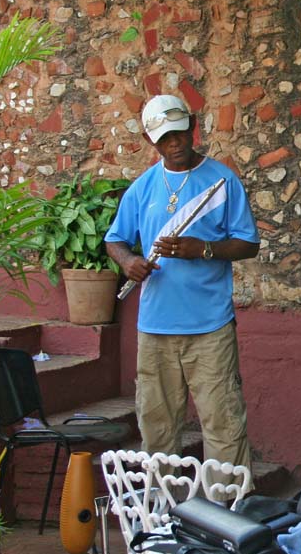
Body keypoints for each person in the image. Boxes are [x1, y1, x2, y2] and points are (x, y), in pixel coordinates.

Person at [105, 94, 259, 469]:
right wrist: (129, 262)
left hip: (210, 326)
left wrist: (201, 249)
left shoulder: (222, 180)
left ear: (193, 127)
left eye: (179, 133)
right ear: (150, 141)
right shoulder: (143, 186)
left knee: (223, 424)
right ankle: (162, 515)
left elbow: (248, 244)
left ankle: (229, 511)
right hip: (155, 327)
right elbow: (115, 239)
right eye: (163, 139)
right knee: (157, 430)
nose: (174, 144)